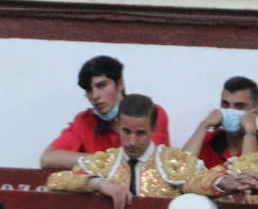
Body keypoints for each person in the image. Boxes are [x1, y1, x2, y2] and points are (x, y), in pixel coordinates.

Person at [45, 94, 202, 209]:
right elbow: (55, 182)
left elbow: (206, 181)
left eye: (140, 133)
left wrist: (222, 182)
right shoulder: (105, 162)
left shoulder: (173, 162)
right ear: (118, 125)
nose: (131, 141)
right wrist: (99, 184)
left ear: (154, 129)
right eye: (126, 131)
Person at [39, 54, 170, 169]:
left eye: (101, 85)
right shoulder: (84, 120)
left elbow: (145, 162)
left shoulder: (149, 112)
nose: (95, 96)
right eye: (89, 90)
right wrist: (102, 162)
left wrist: (98, 165)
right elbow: (47, 158)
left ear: (120, 84)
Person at [182, 75, 258, 169]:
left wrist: (250, 131)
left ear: (255, 113)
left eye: (239, 106)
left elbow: (249, 177)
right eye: (225, 104)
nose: (230, 110)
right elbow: (180, 170)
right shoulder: (208, 139)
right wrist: (203, 125)